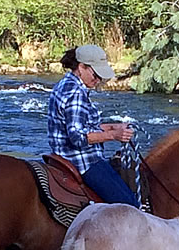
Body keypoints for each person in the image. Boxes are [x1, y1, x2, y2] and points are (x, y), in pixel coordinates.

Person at [47, 44, 139, 207]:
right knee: (128, 204)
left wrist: (113, 127)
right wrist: (113, 135)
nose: (97, 80)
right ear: (81, 67)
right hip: (82, 161)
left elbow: (84, 125)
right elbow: (77, 137)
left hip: (63, 155)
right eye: (95, 74)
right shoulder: (76, 94)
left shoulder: (66, 84)